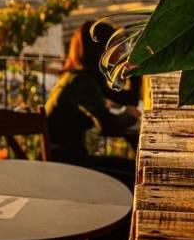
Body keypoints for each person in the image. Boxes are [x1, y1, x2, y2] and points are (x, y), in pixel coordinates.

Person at [45, 20, 140, 186]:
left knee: (135, 171)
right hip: (67, 165)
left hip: (68, 158)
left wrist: (134, 70)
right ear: (101, 49)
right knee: (136, 176)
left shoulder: (83, 76)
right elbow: (108, 126)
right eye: (113, 45)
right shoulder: (82, 82)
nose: (119, 49)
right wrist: (130, 117)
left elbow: (128, 99)